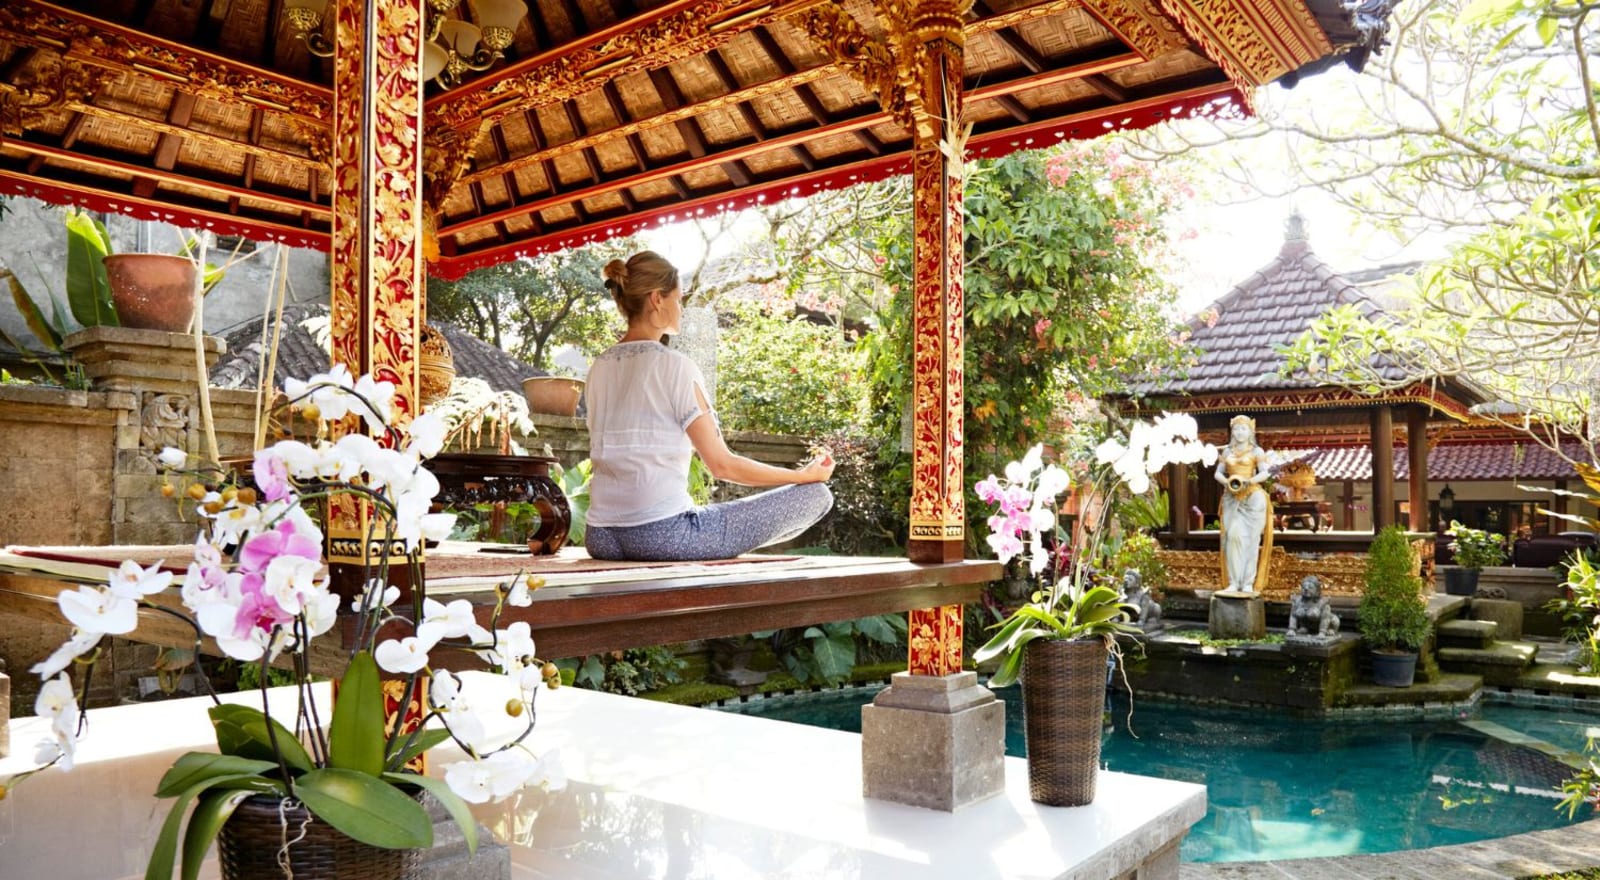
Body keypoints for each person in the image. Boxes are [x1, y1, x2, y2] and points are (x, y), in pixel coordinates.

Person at [583, 251, 835, 561]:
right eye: (678, 299)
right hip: (663, 535)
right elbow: (721, 465)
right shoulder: (675, 366)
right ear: (656, 299)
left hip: (600, 535)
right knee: (816, 496)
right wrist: (803, 476)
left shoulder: (599, 366)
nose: (682, 308)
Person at [1214, 414, 1273, 592]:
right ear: (1232, 432)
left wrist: (1250, 481)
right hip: (1232, 497)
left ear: (1250, 432)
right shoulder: (1226, 452)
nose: (1240, 433)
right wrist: (1227, 482)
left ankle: (1248, 582)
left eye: (1244, 429)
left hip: (1253, 498)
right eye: (1237, 429)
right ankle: (1233, 582)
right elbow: (1218, 473)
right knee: (1232, 537)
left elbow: (1265, 473)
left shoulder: (1257, 452)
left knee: (1252, 542)